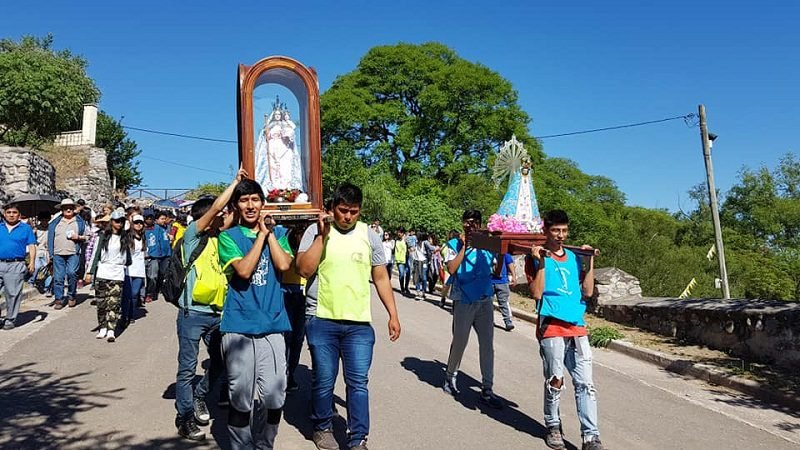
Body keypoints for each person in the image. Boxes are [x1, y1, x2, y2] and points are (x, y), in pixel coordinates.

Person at [296, 183, 401, 450]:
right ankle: (322, 427)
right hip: (321, 318)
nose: (347, 217)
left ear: (360, 210)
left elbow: (380, 276)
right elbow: (305, 270)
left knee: (358, 383)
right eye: (342, 211)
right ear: (332, 208)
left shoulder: (369, 235)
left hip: (358, 324)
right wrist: (322, 235)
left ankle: (358, 438)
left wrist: (393, 314)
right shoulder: (315, 231)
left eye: (353, 212)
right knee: (324, 377)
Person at [217, 177, 293, 449]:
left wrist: (270, 233)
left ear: (263, 203)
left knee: (275, 394)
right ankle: (242, 446)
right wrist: (261, 235)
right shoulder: (228, 237)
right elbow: (245, 270)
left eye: (255, 200)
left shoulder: (280, 234)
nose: (250, 206)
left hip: (272, 325)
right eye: (244, 200)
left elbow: (283, 264)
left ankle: (264, 443)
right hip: (239, 327)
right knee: (240, 396)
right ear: (236, 206)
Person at [175, 170, 243, 442]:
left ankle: (201, 396)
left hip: (218, 314)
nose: (223, 216)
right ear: (206, 218)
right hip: (192, 314)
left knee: (223, 362)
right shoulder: (193, 235)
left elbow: (234, 215)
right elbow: (217, 207)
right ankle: (185, 417)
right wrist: (235, 182)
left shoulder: (222, 239)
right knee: (187, 368)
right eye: (218, 214)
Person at [526, 209, 602, 450]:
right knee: (555, 380)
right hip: (551, 325)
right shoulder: (537, 257)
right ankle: (553, 425)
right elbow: (537, 293)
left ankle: (591, 435)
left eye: (564, 230)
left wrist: (589, 261)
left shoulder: (572, 256)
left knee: (585, 384)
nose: (560, 235)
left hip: (577, 325)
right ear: (545, 231)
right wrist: (540, 262)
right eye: (556, 230)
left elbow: (588, 292)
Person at [442, 210, 503, 409]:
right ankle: (450, 376)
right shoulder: (453, 245)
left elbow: (495, 270)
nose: (470, 226)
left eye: (474, 222)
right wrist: (465, 247)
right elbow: (451, 268)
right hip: (464, 299)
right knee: (460, 341)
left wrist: (502, 253)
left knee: (487, 345)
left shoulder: (486, 246)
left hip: (485, 299)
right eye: (467, 222)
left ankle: (487, 388)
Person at [86, 209, 131, 342]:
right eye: (117, 221)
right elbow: (96, 254)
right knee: (102, 303)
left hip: (117, 273)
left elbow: (128, 259)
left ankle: (111, 330)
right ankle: (103, 327)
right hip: (103, 271)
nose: (119, 224)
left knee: (114, 303)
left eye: (121, 221)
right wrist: (90, 271)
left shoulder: (125, 238)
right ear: (111, 222)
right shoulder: (103, 237)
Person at [0, 203, 37, 330]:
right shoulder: (0, 227)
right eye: (9, 212)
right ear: (4, 214)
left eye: (14, 212)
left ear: (19, 215)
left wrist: (32, 262)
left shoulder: (25, 228)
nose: (11, 215)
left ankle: (10, 319)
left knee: (12, 293)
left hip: (16, 264)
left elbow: (32, 245)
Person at [48, 198, 88, 310]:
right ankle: (59, 299)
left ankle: (71, 295)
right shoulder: (55, 223)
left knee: (72, 274)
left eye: (70, 207)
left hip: (73, 253)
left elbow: (88, 237)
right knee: (58, 278)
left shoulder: (80, 222)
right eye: (65, 208)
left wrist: (79, 237)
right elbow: (50, 238)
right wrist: (50, 253)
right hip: (58, 253)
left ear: (74, 208)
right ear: (62, 209)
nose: (68, 209)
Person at [121, 214, 146, 327]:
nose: (139, 225)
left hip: (140, 270)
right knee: (127, 294)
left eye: (141, 223)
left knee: (135, 294)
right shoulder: (127, 236)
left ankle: (131, 314)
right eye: (136, 222)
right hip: (129, 269)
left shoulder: (143, 237)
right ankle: (125, 315)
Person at [144, 210, 171, 302]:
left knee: (161, 274)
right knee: (152, 275)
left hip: (165, 254)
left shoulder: (164, 228)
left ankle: (155, 291)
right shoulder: (146, 229)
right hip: (153, 255)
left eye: (165, 219)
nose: (164, 220)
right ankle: (149, 293)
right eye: (162, 219)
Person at [492, 253, 517, 331]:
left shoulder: (504, 252)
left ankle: (508, 322)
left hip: (502, 281)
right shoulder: (486, 251)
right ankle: (488, 320)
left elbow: (510, 262)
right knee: (487, 302)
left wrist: (513, 276)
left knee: (504, 302)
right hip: (488, 281)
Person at [438, 229, 460, 307]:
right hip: (448, 267)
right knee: (446, 284)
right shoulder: (447, 245)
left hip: (457, 267)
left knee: (455, 285)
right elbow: (443, 254)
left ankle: (454, 302)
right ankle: (443, 298)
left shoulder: (458, 245)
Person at [411, 231, 429, 300]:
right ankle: (418, 291)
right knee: (417, 277)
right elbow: (412, 249)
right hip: (416, 261)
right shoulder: (415, 242)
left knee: (424, 277)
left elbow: (430, 248)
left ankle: (423, 291)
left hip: (424, 261)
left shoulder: (425, 243)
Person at [394, 228, 410, 295]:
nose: (399, 234)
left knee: (408, 274)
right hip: (399, 260)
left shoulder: (405, 240)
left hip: (406, 259)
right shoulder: (395, 240)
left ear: (403, 233)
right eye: (398, 232)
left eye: (400, 232)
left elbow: (410, 248)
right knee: (401, 274)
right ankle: (402, 288)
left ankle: (406, 287)